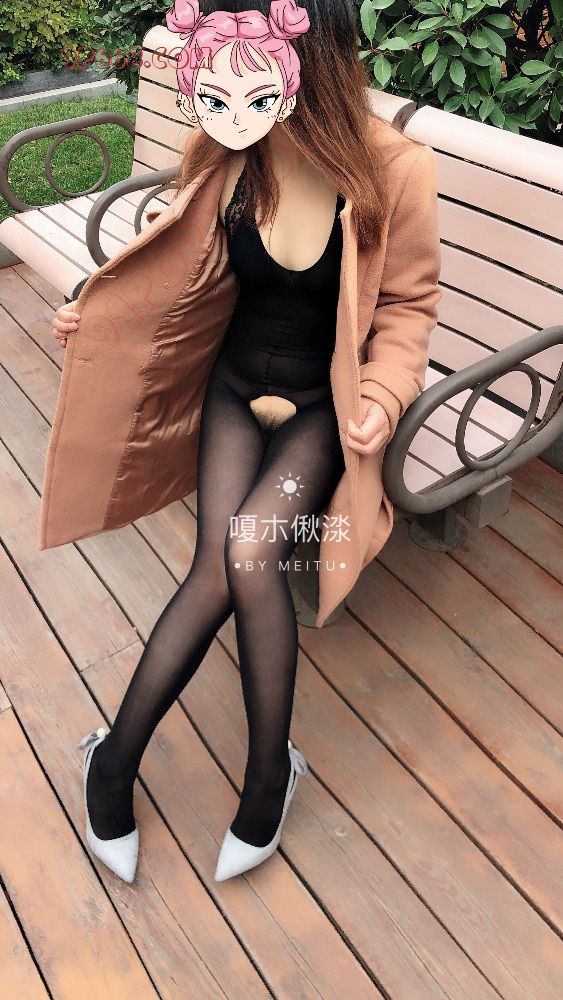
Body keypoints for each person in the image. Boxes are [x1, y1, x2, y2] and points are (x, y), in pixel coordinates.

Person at [51, 0, 440, 884]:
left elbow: (409, 305)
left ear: (312, 58)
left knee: (249, 554)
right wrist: (95, 308)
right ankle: (115, 762)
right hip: (230, 385)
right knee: (216, 565)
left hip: (318, 405)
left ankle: (265, 778)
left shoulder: (393, 169)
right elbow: (175, 253)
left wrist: (383, 394)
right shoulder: (233, 138)